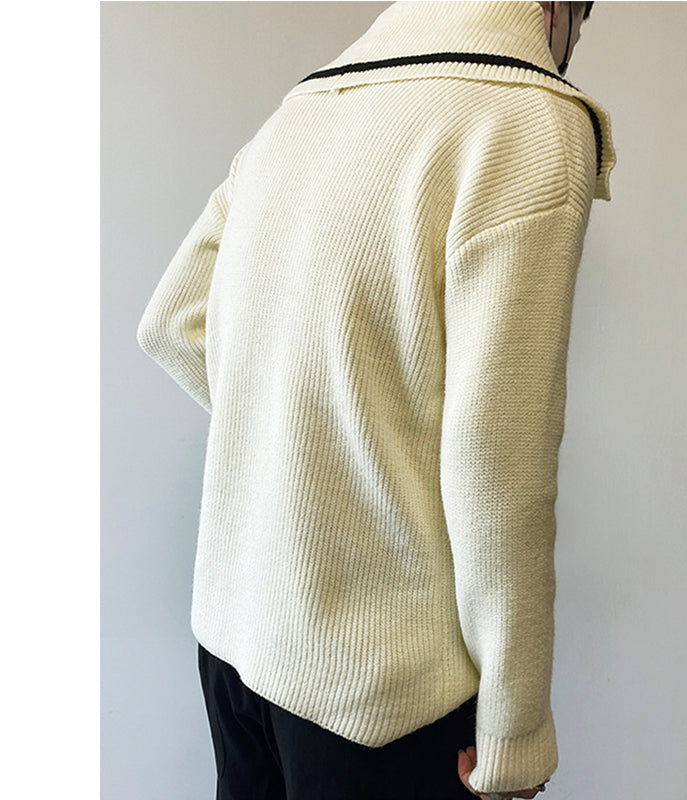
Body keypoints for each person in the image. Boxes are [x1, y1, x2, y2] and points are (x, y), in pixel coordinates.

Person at [136, 1, 615, 798]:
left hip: (233, 640)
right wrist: (516, 730)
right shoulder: (526, 119)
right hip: (379, 695)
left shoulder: (299, 114)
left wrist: (300, 442)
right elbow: (498, 466)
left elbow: (173, 322)